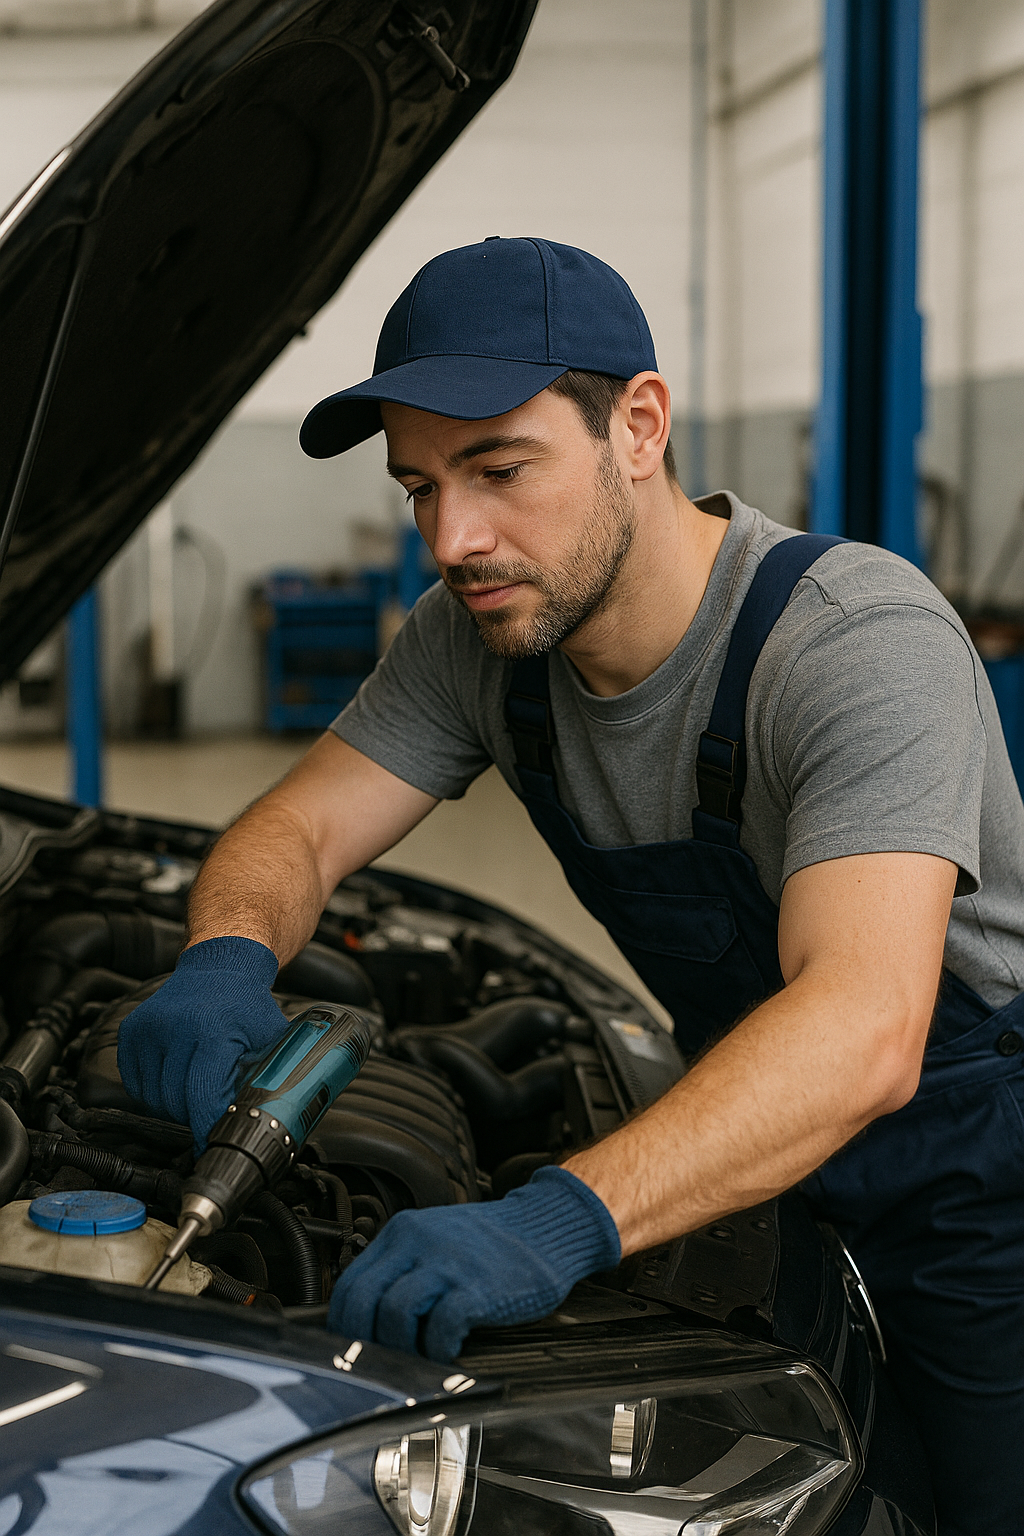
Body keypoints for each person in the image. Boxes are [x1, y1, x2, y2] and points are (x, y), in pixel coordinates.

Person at [119, 237, 1024, 1532]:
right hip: (764, 1161)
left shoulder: (852, 644)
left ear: (639, 426)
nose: (453, 537)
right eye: (420, 485)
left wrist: (560, 1221)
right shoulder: (482, 640)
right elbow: (297, 832)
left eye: (498, 469)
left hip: (982, 1194)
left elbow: (868, 1028)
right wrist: (222, 960)